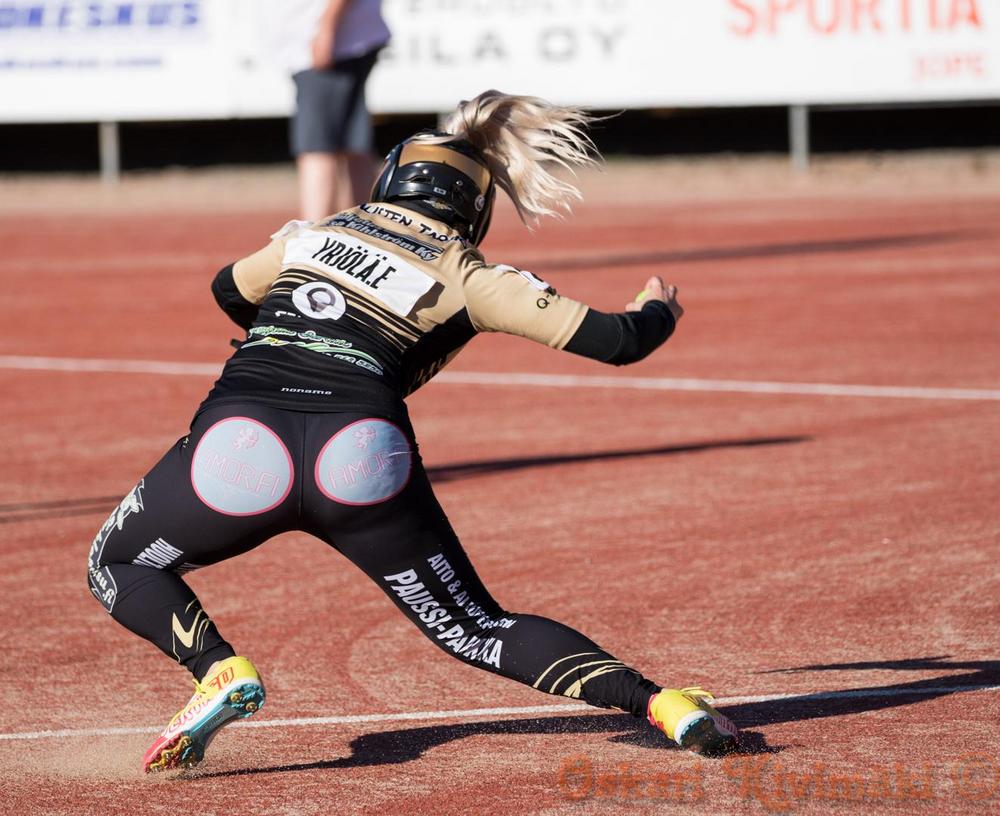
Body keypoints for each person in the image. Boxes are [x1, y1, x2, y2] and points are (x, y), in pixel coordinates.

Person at [86, 90, 740, 773]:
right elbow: (619, 341)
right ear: (476, 210)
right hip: (362, 457)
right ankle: (665, 706)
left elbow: (229, 290)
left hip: (240, 445)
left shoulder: (314, 234)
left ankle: (216, 670)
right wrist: (657, 309)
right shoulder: (471, 274)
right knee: (478, 627)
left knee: (117, 563)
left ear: (389, 179)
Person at [284, 0, 390, 220]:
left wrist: (326, 28)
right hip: (339, 39)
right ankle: (364, 228)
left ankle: (314, 234)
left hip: (333, 42)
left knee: (317, 148)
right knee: (353, 145)